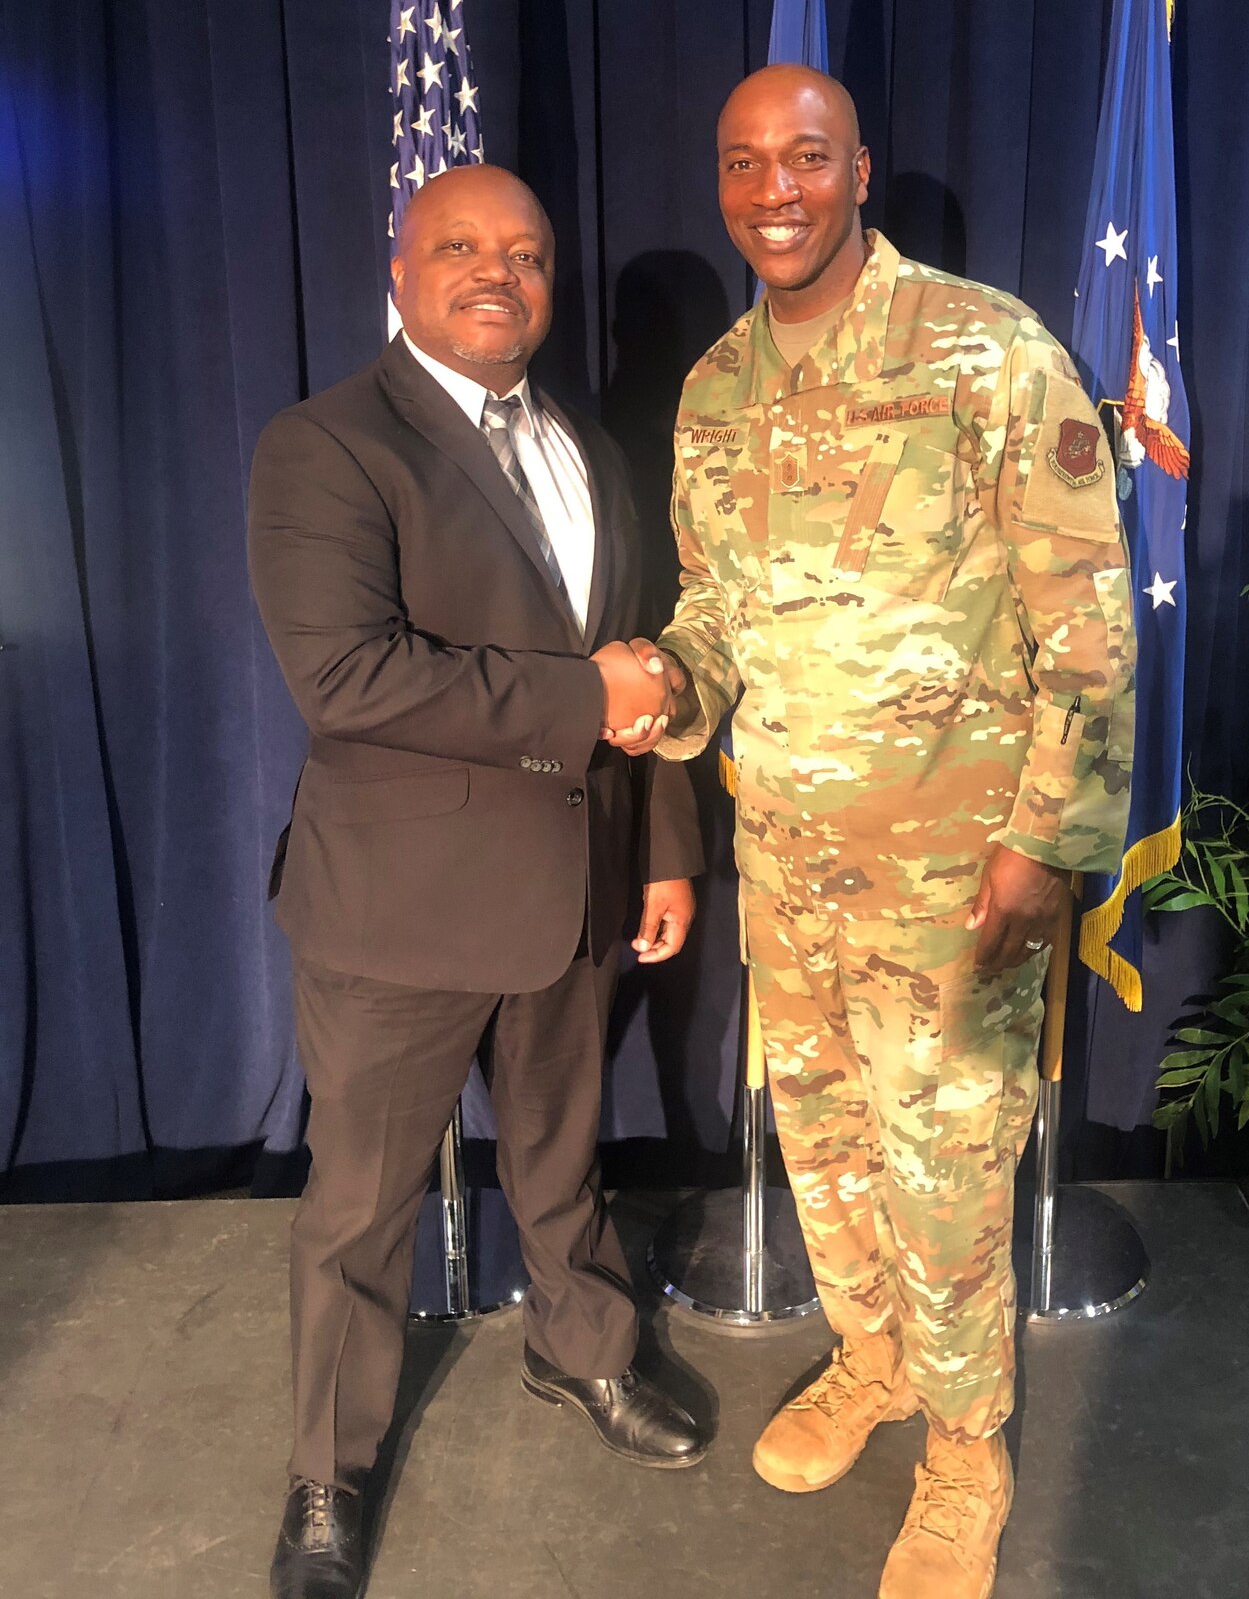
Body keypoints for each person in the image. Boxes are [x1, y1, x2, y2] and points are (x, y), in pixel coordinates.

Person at [642, 67, 1136, 1599]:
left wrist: (1048, 843)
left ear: (861, 169)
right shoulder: (716, 389)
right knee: (829, 1146)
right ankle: (874, 1363)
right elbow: (714, 616)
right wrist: (664, 685)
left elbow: (1090, 624)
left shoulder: (986, 350)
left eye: (803, 157)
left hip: (953, 878)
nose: (771, 189)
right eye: (742, 163)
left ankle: (968, 1444)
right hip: (789, 865)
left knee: (945, 1166)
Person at [248, 164, 707, 1599]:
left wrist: (670, 847)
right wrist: (583, 694)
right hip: (399, 911)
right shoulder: (326, 447)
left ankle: (584, 1355)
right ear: (400, 270)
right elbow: (348, 678)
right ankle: (330, 1468)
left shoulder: (583, 446)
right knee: (363, 1207)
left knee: (564, 1158)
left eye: (525, 252)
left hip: (574, 893)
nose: (496, 270)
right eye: (460, 247)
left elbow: (645, 659)